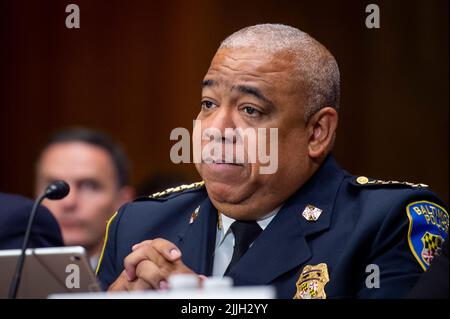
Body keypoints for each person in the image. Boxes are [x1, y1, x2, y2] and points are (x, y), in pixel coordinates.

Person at [96, 24, 448, 298]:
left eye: (250, 110)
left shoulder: (386, 223)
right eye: (208, 104)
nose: (217, 130)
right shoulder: (139, 224)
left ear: (317, 133)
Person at [35, 128, 135, 269]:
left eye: (89, 186)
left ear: (123, 201)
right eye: (53, 186)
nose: (68, 202)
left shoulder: (140, 282)